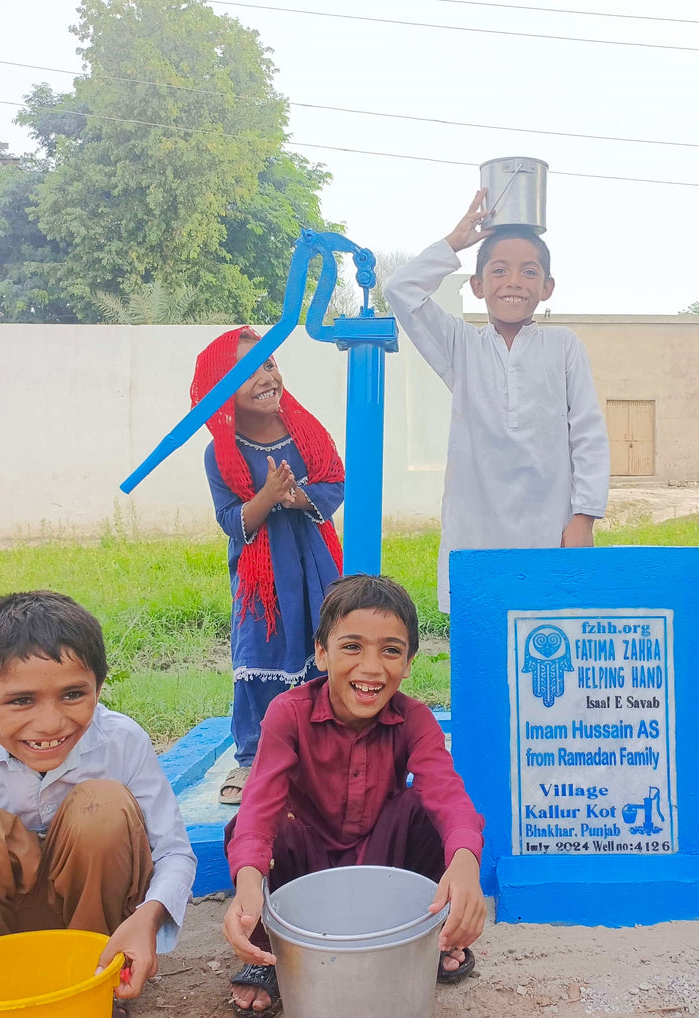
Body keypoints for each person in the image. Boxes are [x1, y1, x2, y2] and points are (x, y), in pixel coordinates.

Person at [222, 574, 486, 1015]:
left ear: (409, 662)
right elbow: (258, 806)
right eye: (352, 647)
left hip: (382, 862)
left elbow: (447, 793)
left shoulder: (415, 719)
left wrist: (465, 862)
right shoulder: (288, 714)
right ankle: (268, 951)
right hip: (306, 864)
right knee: (256, 830)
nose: (371, 668)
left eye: (391, 650)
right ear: (321, 653)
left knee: (434, 816)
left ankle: (430, 936)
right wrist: (248, 880)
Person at [0, 590, 196, 1014]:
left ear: (99, 688)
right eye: (21, 700)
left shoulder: (122, 741)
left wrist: (148, 918)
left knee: (102, 808)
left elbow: (174, 852)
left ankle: (95, 986)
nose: (51, 723)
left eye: (72, 695)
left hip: (94, 933)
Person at [384, 191, 610, 612]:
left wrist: (584, 519)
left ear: (547, 287)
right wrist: (455, 242)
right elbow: (400, 290)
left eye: (529, 272)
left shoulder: (563, 346)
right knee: (481, 638)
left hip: (551, 532)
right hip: (476, 536)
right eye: (499, 270)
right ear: (477, 285)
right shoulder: (460, 346)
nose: (513, 281)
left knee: (547, 637)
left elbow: (589, 434)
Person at [191, 327, 345, 804]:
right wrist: (267, 496)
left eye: (268, 363)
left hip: (315, 563)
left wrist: (295, 497)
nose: (264, 376)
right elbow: (230, 521)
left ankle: (325, 747)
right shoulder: (221, 453)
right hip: (261, 578)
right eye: (245, 370)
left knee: (324, 641)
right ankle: (253, 757)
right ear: (219, 388)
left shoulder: (306, 432)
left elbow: (334, 483)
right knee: (259, 649)